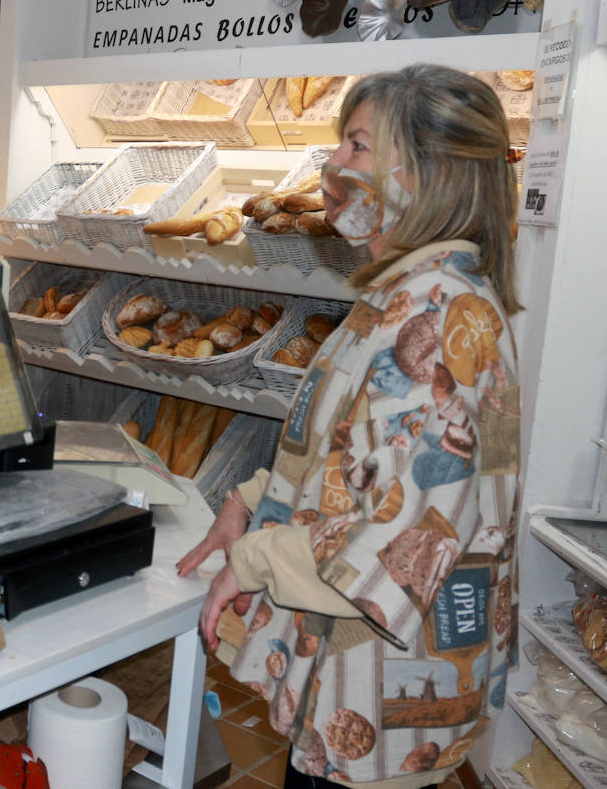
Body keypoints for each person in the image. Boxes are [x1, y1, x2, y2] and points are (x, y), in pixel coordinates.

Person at [177, 65, 523, 789]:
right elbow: (354, 452)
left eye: (358, 146)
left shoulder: (443, 316)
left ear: (426, 170)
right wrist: (250, 500)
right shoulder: (404, 295)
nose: (334, 166)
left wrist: (256, 561)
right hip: (347, 688)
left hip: (380, 705)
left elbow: (406, 536)